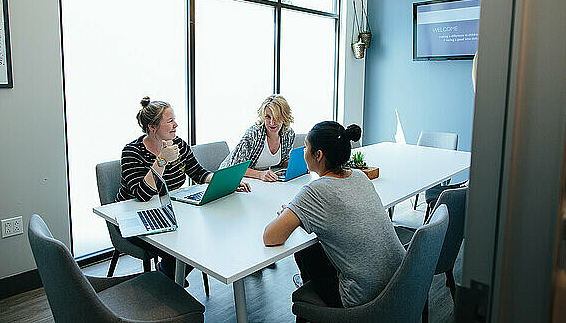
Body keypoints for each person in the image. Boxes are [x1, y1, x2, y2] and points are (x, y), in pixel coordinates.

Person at [262, 122, 405, 308]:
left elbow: (270, 237)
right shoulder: (359, 176)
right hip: (400, 284)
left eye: (306, 146)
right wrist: (297, 213)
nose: (304, 150)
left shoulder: (314, 191)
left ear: (318, 155)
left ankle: (314, 309)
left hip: (363, 299)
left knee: (306, 251)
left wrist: (292, 216)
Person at [116, 97, 250, 280]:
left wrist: (223, 181)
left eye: (174, 119)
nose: (176, 125)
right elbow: (143, 194)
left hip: (170, 212)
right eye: (170, 121)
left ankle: (168, 278)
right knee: (185, 245)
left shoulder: (178, 144)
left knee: (205, 235)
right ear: (152, 127)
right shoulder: (132, 152)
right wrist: (161, 160)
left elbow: (198, 173)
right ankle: (169, 281)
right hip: (135, 219)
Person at [220, 94, 295, 182]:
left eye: (276, 117)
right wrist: (260, 174)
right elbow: (235, 168)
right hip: (229, 178)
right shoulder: (254, 134)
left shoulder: (288, 134)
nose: (272, 122)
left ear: (284, 117)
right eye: (268, 117)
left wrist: (297, 166)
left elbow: (282, 160)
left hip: (258, 182)